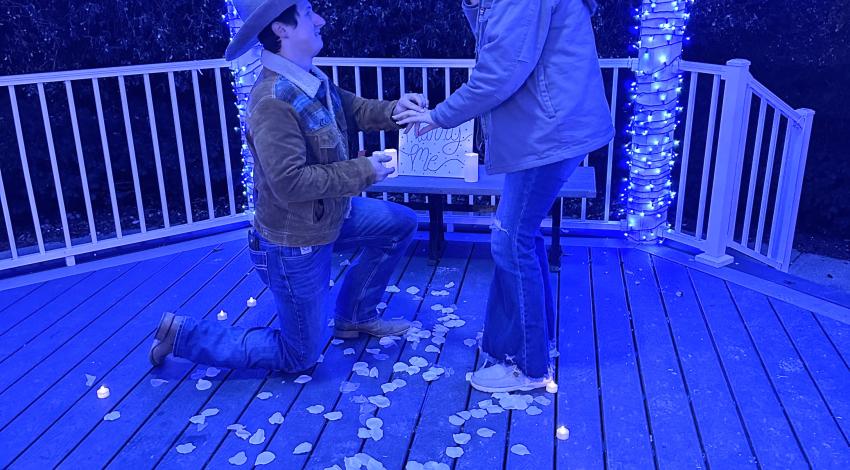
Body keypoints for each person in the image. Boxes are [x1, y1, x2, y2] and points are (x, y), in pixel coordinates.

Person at [149, 0, 427, 373]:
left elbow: (353, 109)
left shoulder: (308, 77)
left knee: (400, 224)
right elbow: (290, 183)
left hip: (331, 216)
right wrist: (364, 170)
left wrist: (396, 110)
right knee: (300, 356)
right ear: (281, 29)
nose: (321, 20)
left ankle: (355, 316)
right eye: (309, 13)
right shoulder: (271, 101)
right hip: (293, 244)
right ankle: (183, 335)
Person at [395, 0, 614, 392]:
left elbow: (499, 72)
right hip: (548, 127)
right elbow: (495, 40)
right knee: (520, 236)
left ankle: (527, 365)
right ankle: (533, 342)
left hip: (549, 130)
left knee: (510, 240)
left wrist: (438, 116)